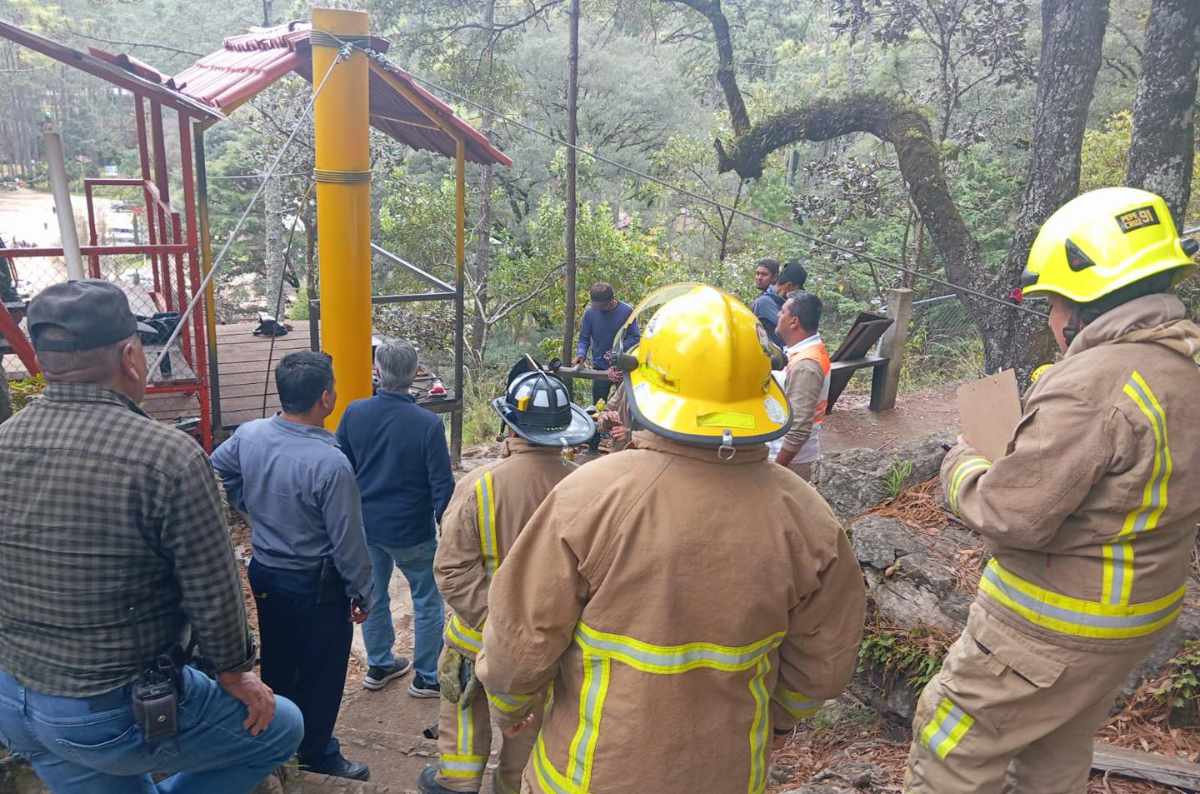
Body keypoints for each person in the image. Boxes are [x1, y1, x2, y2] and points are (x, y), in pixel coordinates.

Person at [477, 284, 866, 794]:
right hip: (726, 774)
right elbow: (824, 664)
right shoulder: (807, 516)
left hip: (588, 775)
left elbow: (517, 646)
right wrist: (776, 720)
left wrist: (513, 710)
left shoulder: (592, 496)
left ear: (645, 386)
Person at [905, 187, 1200, 793]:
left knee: (952, 745)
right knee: (1053, 747)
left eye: (1053, 303)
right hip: (1134, 616)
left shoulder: (1092, 385)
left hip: (1050, 627)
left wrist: (962, 464)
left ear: (1083, 304)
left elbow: (1009, 512)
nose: (1050, 319)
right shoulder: (1180, 363)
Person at [0, 280, 302, 794]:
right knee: (280, 728)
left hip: (15, 701)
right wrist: (235, 674)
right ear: (129, 355)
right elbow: (214, 592)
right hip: (111, 711)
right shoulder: (167, 457)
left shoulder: (4, 442)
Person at [418, 359, 595, 794]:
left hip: (474, 637)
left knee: (462, 715)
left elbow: (452, 569)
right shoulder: (586, 489)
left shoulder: (480, 485)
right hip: (544, 646)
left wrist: (495, 623)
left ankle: (457, 784)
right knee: (529, 731)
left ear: (510, 427)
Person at [212, 351, 373, 782]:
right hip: (317, 585)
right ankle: (317, 753)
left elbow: (213, 470)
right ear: (326, 398)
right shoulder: (331, 464)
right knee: (322, 673)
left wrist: (246, 505)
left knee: (281, 663)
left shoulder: (249, 436)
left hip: (266, 573)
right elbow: (348, 541)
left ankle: (277, 746)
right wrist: (363, 591)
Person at [337, 341, 455, 698]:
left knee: (372, 595)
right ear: (416, 373)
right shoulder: (428, 423)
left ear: (377, 370)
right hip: (412, 530)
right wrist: (446, 528)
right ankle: (426, 676)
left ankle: (379, 664)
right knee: (427, 598)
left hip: (367, 527)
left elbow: (341, 468)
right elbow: (441, 484)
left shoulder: (354, 414)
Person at [773, 293, 830, 481]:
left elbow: (798, 429)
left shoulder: (806, 365)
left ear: (794, 322)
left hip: (792, 463)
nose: (777, 315)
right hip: (791, 458)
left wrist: (775, 470)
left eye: (782, 312)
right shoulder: (805, 353)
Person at [573, 282, 641, 406]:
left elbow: (635, 337)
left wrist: (617, 351)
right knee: (598, 407)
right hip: (600, 367)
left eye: (600, 307)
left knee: (624, 406)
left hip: (621, 367)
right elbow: (584, 338)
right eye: (595, 306)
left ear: (610, 301)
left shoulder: (626, 311)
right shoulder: (590, 313)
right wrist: (581, 354)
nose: (597, 309)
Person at [751, 258, 786, 347]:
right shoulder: (769, 296)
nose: (759, 278)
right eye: (757, 273)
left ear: (775, 277)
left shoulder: (765, 302)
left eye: (764, 274)